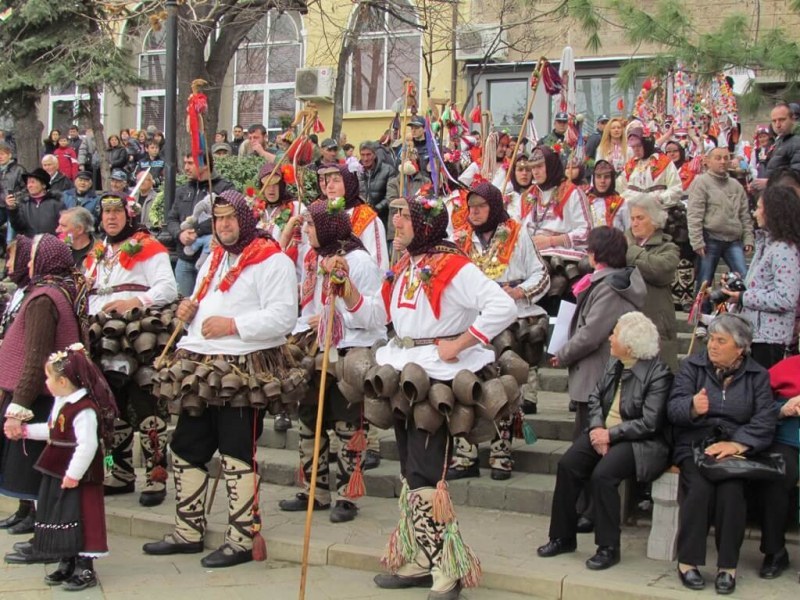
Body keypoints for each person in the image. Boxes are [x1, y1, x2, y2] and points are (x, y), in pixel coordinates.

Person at [142, 190, 302, 568]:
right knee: (186, 447)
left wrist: (233, 324)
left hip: (244, 369)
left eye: (230, 217)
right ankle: (187, 532)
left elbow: (283, 318)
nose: (223, 225)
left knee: (236, 452)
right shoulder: (213, 256)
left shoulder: (272, 260)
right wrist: (189, 310)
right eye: (217, 219)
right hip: (202, 367)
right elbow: (201, 302)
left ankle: (243, 538)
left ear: (244, 219)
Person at [373, 194, 517, 599]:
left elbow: (501, 306)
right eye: (395, 215)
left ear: (425, 223)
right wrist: (343, 289)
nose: (396, 222)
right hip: (402, 366)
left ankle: (445, 568)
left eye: (404, 216)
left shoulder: (453, 264)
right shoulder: (406, 264)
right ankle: (421, 558)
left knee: (424, 470)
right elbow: (379, 314)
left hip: (436, 373)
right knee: (408, 468)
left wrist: (461, 342)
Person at [279, 199, 386, 521]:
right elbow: (309, 305)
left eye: (311, 225)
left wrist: (331, 315)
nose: (306, 231)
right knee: (310, 421)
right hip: (314, 349)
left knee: (345, 424)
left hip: (348, 349)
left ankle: (346, 495)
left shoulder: (358, 261)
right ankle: (315, 490)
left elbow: (374, 315)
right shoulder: (315, 257)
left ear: (328, 227)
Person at [538, 312, 672, 569]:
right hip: (604, 431)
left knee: (603, 476)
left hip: (639, 441)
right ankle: (562, 537)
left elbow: (650, 423)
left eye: (615, 334)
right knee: (568, 465)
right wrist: (598, 427)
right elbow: (595, 397)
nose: (610, 338)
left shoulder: (658, 374)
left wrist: (610, 434)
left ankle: (609, 547)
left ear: (631, 345)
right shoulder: (616, 362)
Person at [668, 313, 776, 594]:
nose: (712, 346)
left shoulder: (758, 376)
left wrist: (737, 445)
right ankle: (688, 562)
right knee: (700, 489)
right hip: (694, 445)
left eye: (721, 341)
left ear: (740, 348)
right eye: (711, 339)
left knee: (731, 491)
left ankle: (727, 567)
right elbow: (673, 409)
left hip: (733, 450)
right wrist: (692, 407)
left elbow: (765, 420)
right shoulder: (693, 366)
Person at [449, 182, 549, 479]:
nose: (475, 212)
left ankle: (500, 453)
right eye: (472, 207)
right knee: (466, 385)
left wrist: (519, 292)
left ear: (494, 207)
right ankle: (465, 455)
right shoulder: (462, 238)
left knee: (505, 384)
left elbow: (541, 273)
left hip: (510, 318)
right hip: (473, 322)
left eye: (481, 206)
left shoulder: (516, 233)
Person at [83, 192, 178, 505]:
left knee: (146, 402)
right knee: (112, 405)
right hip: (100, 334)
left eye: (116, 211)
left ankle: (155, 475)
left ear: (129, 214)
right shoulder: (98, 251)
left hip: (137, 334)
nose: (110, 218)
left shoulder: (148, 247)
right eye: (105, 212)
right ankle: (121, 472)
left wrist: (135, 301)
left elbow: (167, 287)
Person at [6, 344, 115, 590]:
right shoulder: (62, 401)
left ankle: (85, 568)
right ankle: (67, 560)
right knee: (62, 515)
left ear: (64, 381)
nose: (46, 382)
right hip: (59, 468)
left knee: (83, 515)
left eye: (48, 378)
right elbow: (54, 430)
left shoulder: (84, 409)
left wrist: (74, 475)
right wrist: (25, 431)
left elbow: (87, 446)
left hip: (79, 474)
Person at [0, 235, 86, 542]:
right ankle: (39, 530)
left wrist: (19, 407)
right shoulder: (50, 292)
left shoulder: (45, 298)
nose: (25, 264)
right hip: (40, 394)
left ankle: (43, 537)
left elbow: (36, 357)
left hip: (39, 397)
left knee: (36, 474)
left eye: (31, 257)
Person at [723, 186, 800, 368]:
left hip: (770, 339)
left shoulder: (784, 249)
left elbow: (786, 298)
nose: (754, 213)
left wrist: (743, 297)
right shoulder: (767, 245)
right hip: (755, 334)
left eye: (758, 207)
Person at [522, 145, 591, 314]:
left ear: (551, 165)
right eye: (533, 168)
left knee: (556, 285)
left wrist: (551, 241)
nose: (535, 172)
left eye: (539, 167)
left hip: (563, 259)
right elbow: (523, 227)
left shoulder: (573, 193)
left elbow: (587, 232)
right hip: (534, 256)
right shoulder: (530, 194)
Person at [687, 147, 754, 316]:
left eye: (726, 158)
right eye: (718, 158)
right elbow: (694, 214)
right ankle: (701, 316)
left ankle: (745, 313)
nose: (723, 161)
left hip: (733, 240)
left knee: (745, 277)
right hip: (710, 238)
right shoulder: (701, 182)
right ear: (708, 161)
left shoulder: (736, 186)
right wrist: (697, 241)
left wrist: (748, 239)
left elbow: (745, 215)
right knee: (704, 279)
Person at [0, 236, 34, 536]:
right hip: (12, 380)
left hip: (28, 384)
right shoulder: (21, 291)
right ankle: (22, 508)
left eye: (12, 259)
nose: (8, 266)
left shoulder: (38, 294)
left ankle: (32, 511)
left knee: (26, 454)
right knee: (14, 453)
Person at [625, 195, 680, 372]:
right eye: (632, 219)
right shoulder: (621, 243)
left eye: (640, 218)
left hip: (656, 324)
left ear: (655, 221)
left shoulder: (668, 247)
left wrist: (631, 251)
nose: (634, 223)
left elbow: (660, 270)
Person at [167, 153, 235, 297]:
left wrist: (196, 232)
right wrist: (180, 234)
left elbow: (223, 220)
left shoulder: (224, 188)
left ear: (205, 165)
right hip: (184, 259)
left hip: (211, 259)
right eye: (185, 162)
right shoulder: (182, 190)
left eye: (190, 163)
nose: (186, 167)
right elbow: (171, 219)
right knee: (183, 305)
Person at [761, 355, 800, 579]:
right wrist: (783, 408)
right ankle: (775, 551)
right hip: (787, 439)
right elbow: (759, 403)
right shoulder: (785, 366)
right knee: (776, 474)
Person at [318, 163, 389, 271]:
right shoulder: (323, 214)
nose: (329, 186)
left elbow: (378, 264)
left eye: (336, 181)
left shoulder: (367, 218)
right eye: (327, 181)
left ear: (349, 183)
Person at [619, 124, 682, 210]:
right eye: (633, 147)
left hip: (658, 212)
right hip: (633, 213)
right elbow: (620, 188)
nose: (636, 150)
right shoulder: (630, 165)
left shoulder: (664, 162)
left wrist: (660, 199)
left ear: (647, 144)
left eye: (639, 146)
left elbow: (676, 189)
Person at [7, 168, 65, 237]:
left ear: (43, 185)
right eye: (28, 183)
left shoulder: (56, 204)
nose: (29, 185)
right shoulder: (23, 204)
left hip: (51, 244)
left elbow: (65, 227)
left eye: (33, 182)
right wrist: (13, 209)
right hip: (29, 244)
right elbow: (18, 227)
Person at [758, 103, 800, 185]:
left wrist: (769, 183)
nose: (777, 125)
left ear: (792, 119)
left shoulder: (797, 142)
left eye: (782, 120)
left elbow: (796, 175)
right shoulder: (778, 142)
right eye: (774, 121)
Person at [358, 140, 395, 226]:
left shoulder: (388, 170)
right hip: (361, 217)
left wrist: (376, 209)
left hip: (381, 217)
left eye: (368, 154)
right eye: (362, 155)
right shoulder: (356, 171)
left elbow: (391, 195)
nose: (365, 159)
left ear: (374, 155)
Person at [586, 160, 626, 231]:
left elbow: (628, 230)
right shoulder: (586, 201)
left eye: (606, 177)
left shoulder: (620, 202)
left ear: (612, 179)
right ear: (593, 179)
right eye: (598, 177)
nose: (602, 181)